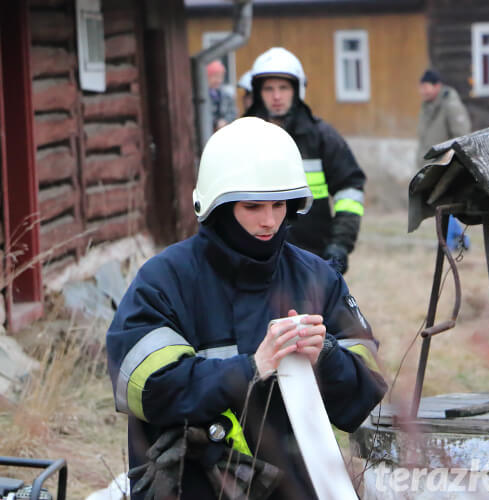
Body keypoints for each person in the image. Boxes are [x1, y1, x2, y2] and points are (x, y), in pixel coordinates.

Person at [106, 117, 386, 500]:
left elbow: (365, 396)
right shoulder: (166, 280)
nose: (269, 221)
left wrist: (328, 356)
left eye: (279, 204)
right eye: (252, 206)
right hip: (188, 486)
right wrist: (250, 368)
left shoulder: (317, 277)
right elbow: (144, 388)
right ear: (217, 206)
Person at [245, 47, 366, 275]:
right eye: (269, 88)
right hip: (253, 256)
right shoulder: (242, 136)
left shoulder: (322, 137)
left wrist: (340, 244)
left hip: (312, 256)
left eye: (284, 87)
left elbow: (350, 190)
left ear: (297, 90)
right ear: (258, 92)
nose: (277, 96)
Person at [416, 69, 472, 251]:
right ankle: (459, 239)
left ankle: (448, 242)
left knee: (443, 205)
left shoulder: (450, 105)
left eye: (426, 87)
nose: (423, 91)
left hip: (447, 164)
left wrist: (456, 160)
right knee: (439, 205)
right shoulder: (427, 106)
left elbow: (462, 134)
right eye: (421, 87)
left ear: (437, 86)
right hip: (432, 165)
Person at [207, 59, 236, 130]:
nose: (219, 80)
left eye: (221, 77)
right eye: (215, 76)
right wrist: (215, 122)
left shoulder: (226, 95)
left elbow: (233, 112)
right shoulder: (202, 96)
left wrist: (225, 121)